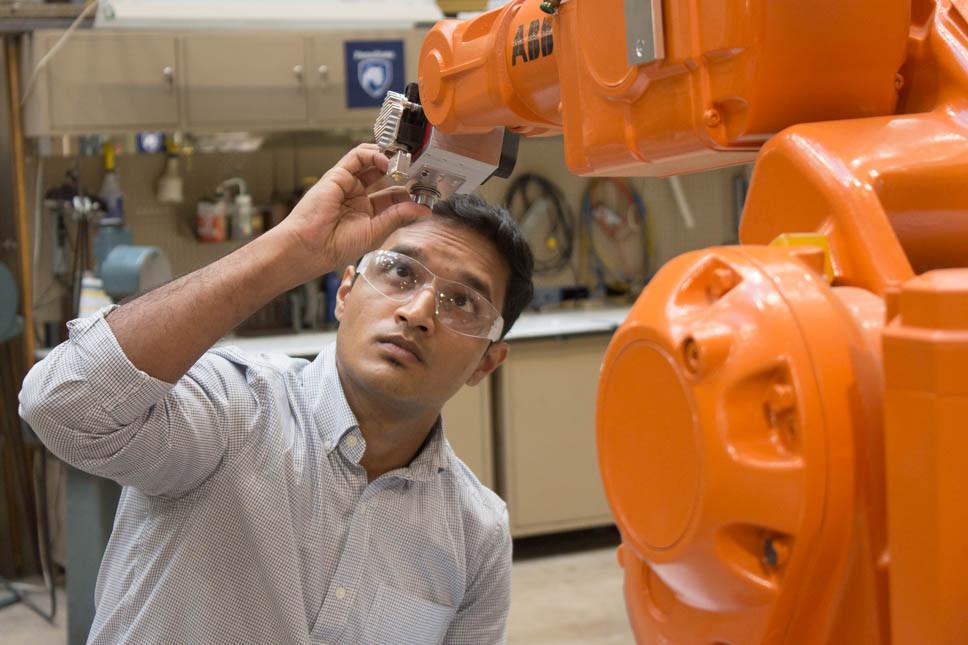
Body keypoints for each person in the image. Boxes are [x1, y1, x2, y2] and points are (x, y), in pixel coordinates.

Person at [19, 144, 535, 644]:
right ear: (346, 291)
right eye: (400, 272)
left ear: (486, 363)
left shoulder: (475, 533)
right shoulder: (232, 410)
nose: (418, 312)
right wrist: (292, 250)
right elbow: (63, 407)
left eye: (462, 301)